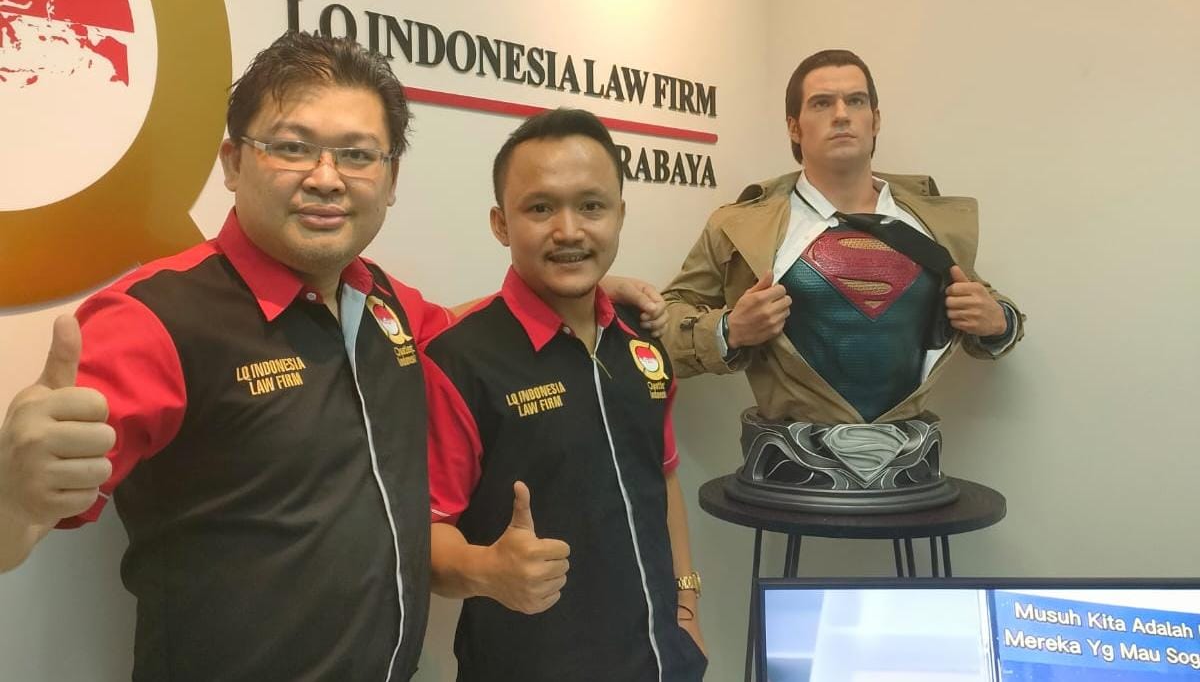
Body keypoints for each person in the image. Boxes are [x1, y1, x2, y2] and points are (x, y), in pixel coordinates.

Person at [0, 33, 665, 681]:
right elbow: (23, 522)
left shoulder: (385, 303)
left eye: (357, 155)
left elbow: (478, 329)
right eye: (292, 147)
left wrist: (578, 287)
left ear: (391, 178)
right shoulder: (155, 319)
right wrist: (14, 494)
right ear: (233, 162)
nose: (326, 178)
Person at [661, 49, 1023, 505]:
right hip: (788, 471)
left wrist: (996, 322)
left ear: (875, 119)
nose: (841, 115)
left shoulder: (931, 224)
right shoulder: (740, 227)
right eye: (821, 103)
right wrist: (729, 330)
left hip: (912, 471)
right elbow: (662, 323)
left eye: (855, 101)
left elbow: (992, 311)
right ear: (794, 127)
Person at [423, 108, 707, 681]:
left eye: (591, 205)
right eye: (540, 208)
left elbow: (663, 475)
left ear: (620, 214)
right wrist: (487, 570)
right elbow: (423, 532)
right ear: (501, 224)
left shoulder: (641, 340)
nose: (570, 230)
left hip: (661, 661)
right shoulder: (459, 361)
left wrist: (687, 604)